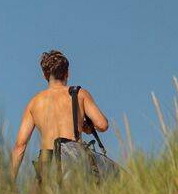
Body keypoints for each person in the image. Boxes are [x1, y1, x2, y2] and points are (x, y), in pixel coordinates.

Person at [9, 50, 110, 182]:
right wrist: (86, 127)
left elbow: (20, 146)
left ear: (45, 75)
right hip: (73, 159)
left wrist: (9, 182)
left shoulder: (34, 103)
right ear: (67, 73)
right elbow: (102, 125)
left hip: (46, 162)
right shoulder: (79, 94)